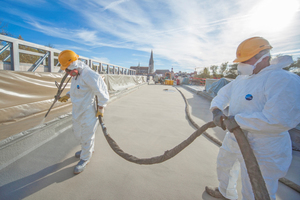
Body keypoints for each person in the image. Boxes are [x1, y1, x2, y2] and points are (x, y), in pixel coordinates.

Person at [205, 37, 300, 200]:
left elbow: (279, 119)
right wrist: (216, 110)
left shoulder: (283, 80)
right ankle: (225, 193)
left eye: (246, 60)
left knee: (256, 186)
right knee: (225, 165)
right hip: (234, 136)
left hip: (264, 146)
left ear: (264, 57)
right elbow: (223, 95)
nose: (242, 65)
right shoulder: (241, 80)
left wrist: (238, 121)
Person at [58, 50, 109, 174]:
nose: (68, 73)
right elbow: (77, 89)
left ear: (73, 66)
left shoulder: (89, 75)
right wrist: (68, 95)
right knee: (78, 132)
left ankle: (85, 158)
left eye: (68, 70)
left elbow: (103, 94)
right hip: (77, 110)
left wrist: (100, 109)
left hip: (88, 111)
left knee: (87, 135)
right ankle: (86, 149)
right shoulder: (76, 75)